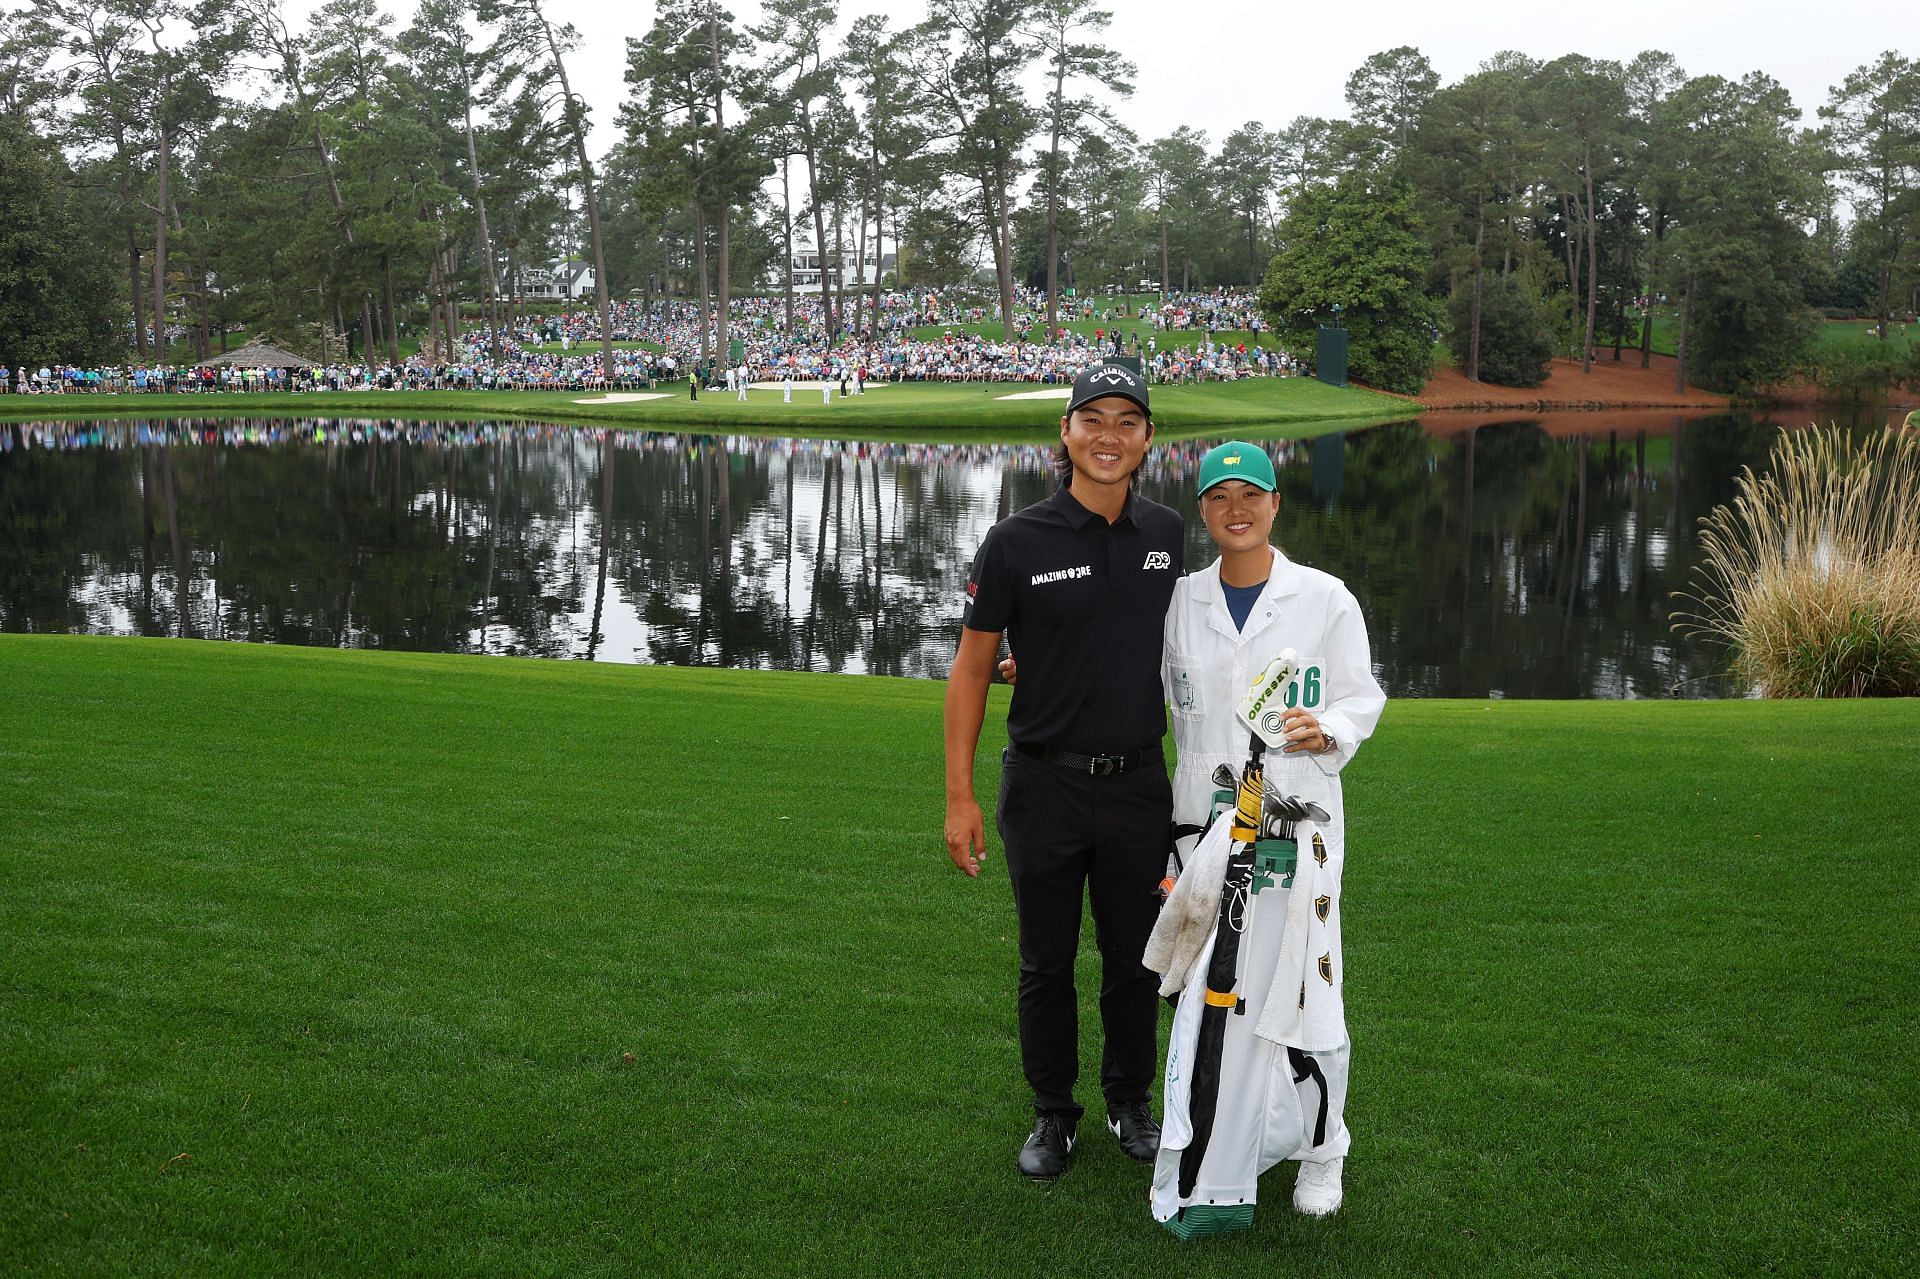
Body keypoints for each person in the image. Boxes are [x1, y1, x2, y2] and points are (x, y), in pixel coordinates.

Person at [943, 362, 1183, 1182]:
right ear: (1066, 432)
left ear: (1149, 438)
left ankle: (1129, 1100)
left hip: (1138, 785)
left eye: (1127, 420)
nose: (1109, 436)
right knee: (1045, 961)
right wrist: (960, 794)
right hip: (1043, 784)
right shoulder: (1015, 541)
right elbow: (973, 668)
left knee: (1133, 959)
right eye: (1093, 419)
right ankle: (1054, 1111)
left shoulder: (1168, 534)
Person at [1147, 440, 1385, 1235]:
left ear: (1276, 503)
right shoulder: (1181, 601)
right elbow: (1123, 680)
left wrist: (1332, 727)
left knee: (1307, 990)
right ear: (1204, 510)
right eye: (1219, 497)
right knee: (1214, 994)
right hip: (1205, 833)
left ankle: (1325, 1146)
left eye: (1252, 495)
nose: (1236, 509)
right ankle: (1226, 1140)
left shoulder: (1324, 598)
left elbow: (1362, 696)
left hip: (1298, 831)